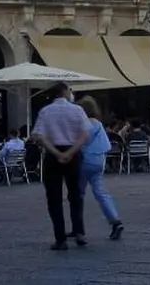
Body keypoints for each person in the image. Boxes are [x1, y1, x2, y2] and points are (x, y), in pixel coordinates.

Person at [31, 82, 92, 251]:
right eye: (70, 90)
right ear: (65, 92)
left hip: (52, 154)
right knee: (76, 194)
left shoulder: (45, 111)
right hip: (73, 154)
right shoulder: (77, 110)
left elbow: (38, 136)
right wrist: (71, 152)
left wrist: (57, 154)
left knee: (54, 197)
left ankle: (60, 238)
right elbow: (85, 134)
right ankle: (79, 232)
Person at [77, 97, 124, 240]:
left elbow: (83, 140)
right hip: (99, 160)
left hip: (85, 159)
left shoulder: (83, 124)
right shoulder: (98, 123)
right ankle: (115, 220)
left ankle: (77, 227)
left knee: (78, 194)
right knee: (101, 192)